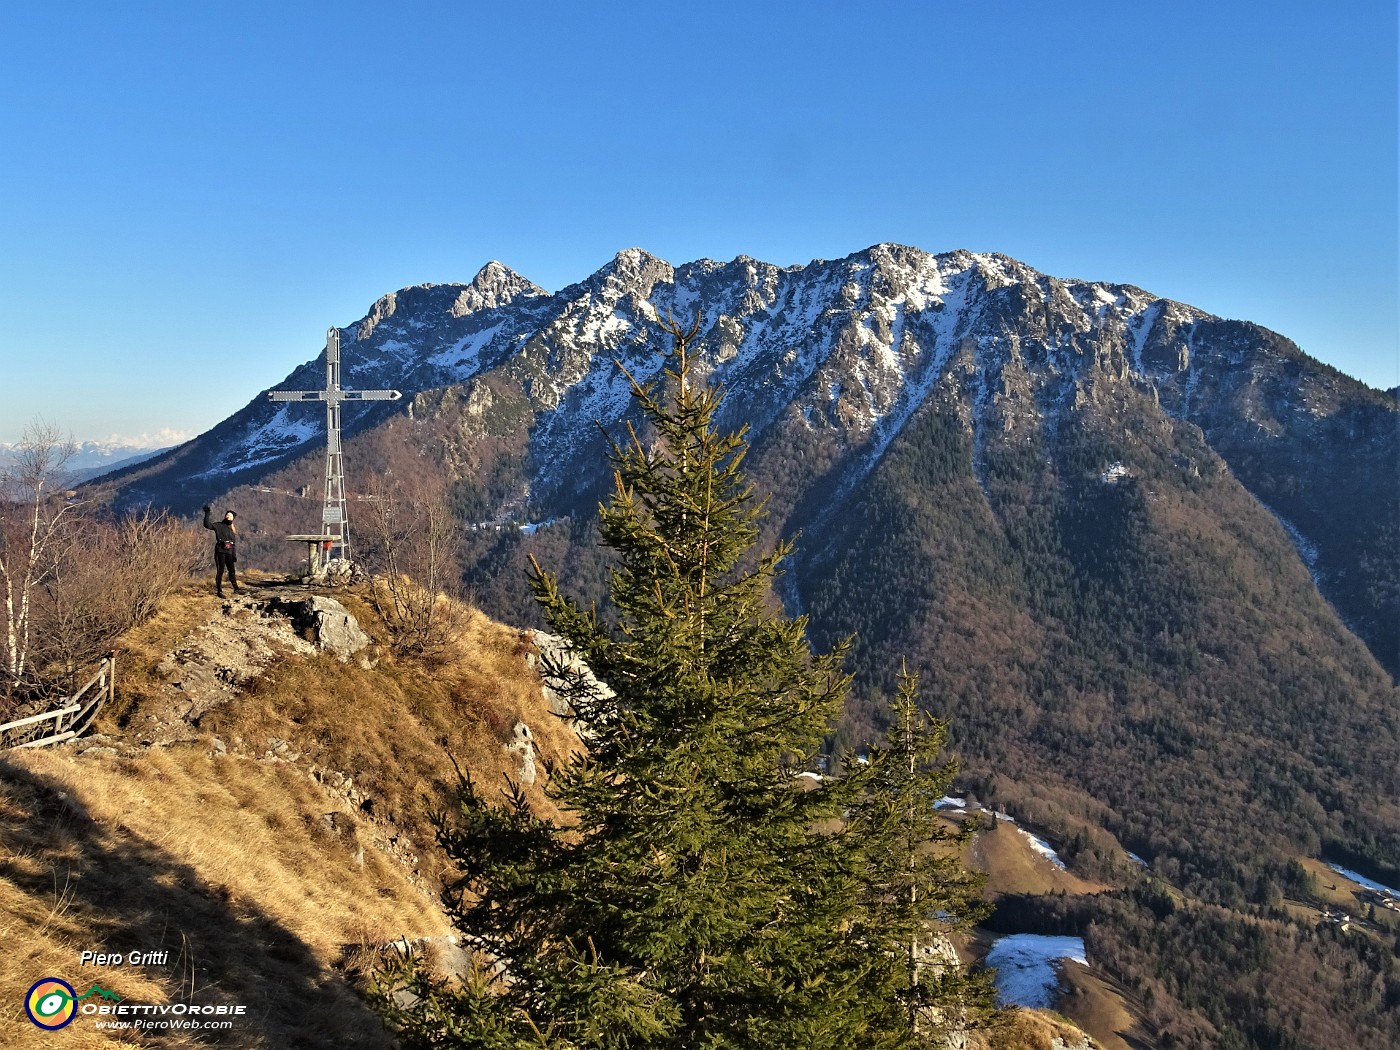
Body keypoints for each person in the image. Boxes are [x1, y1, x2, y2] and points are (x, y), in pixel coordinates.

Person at [202, 506, 241, 597]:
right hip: (220, 551)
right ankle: (219, 591)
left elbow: (233, 544)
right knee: (220, 571)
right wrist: (207, 513)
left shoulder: (232, 530)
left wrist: (234, 556)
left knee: (232, 570)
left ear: (233, 518)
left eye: (230, 516)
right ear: (225, 516)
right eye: (227, 515)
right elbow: (207, 525)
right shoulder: (219, 525)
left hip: (230, 552)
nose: (228, 516)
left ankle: (236, 588)